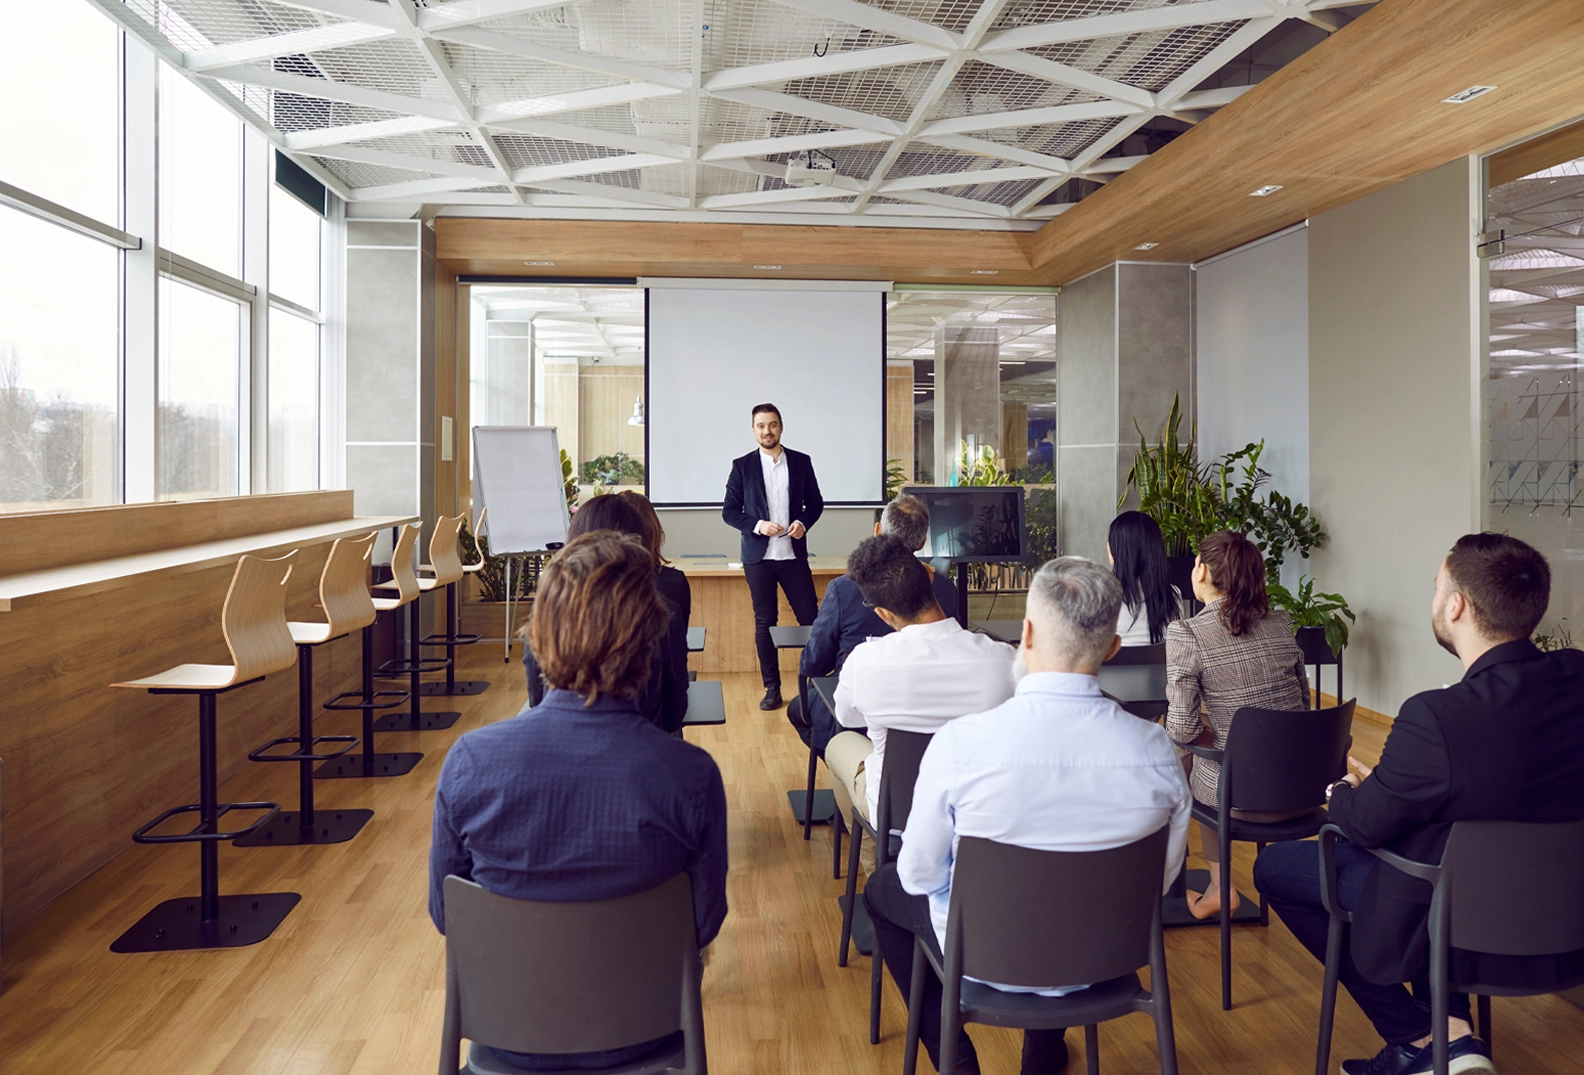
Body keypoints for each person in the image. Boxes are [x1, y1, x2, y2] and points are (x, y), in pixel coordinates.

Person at [1255, 533, 1584, 1075]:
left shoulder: (1437, 717)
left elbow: (1363, 827)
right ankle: (1449, 1034)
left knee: (1276, 866)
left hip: (1458, 923)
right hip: (1564, 927)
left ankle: (1422, 1037)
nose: (1434, 599)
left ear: (1456, 606)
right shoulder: (1576, 677)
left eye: (1437, 588)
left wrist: (1343, 794)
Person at [864, 557, 1190, 1075]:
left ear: (1027, 632)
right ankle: (1043, 1052)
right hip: (1103, 958)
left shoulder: (961, 745)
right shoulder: (1157, 751)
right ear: (1111, 648)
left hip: (982, 954)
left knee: (883, 889)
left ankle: (955, 1058)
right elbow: (1161, 876)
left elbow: (918, 874)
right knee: (1065, 890)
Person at [430, 530, 728, 1072]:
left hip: (508, 1039)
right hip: (645, 1037)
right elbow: (702, 925)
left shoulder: (470, 763)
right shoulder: (690, 775)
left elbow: (446, 914)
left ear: (537, 637)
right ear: (651, 645)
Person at [823, 534, 1013, 834]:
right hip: (979, 812)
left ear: (883, 614)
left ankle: (878, 865)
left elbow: (848, 717)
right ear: (928, 574)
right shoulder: (1004, 660)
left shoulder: (864, 662)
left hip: (898, 815)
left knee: (838, 744)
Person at [1165, 530, 1308, 919]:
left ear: (1204, 572)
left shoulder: (1189, 632)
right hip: (1304, 792)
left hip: (1242, 798)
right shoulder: (1281, 623)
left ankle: (1213, 885)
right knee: (1217, 750)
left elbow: (1180, 727)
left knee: (1185, 754)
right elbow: (1303, 705)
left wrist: (1215, 732)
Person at [788, 493, 959, 752]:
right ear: (922, 542)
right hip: (929, 719)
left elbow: (814, 662)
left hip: (854, 720)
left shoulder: (844, 590)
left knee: (799, 709)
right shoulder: (946, 589)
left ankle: (845, 771)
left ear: (877, 530)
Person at [523, 494, 689, 733]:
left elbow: (536, 699)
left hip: (560, 741)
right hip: (644, 747)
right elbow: (675, 713)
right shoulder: (662, 611)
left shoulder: (544, 609)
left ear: (575, 539)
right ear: (638, 541)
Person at [721, 403, 824, 711]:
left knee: (811, 618)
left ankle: (815, 681)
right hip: (759, 558)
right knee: (765, 621)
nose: (767, 430)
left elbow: (816, 503)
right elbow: (729, 512)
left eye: (773, 424)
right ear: (754, 430)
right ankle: (772, 688)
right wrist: (758, 525)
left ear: (781, 427)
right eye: (761, 425)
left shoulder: (801, 462)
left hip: (793, 556)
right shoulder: (742, 466)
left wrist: (802, 523)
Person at [619, 488, 692, 666]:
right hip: (661, 687)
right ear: (653, 529)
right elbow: (678, 648)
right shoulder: (675, 582)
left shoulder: (586, 587)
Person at [1108, 510, 1179, 646]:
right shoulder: (1172, 595)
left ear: (1116, 551)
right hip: (1159, 668)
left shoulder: (1101, 598)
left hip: (1112, 667)